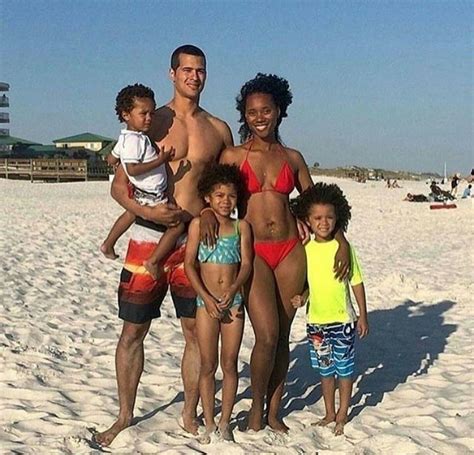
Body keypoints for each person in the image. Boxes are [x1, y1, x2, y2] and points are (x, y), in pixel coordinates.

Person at [94, 45, 233, 447]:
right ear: (171, 73)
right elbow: (119, 187)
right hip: (147, 236)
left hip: (194, 240)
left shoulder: (218, 129)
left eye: (200, 70)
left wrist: (208, 212)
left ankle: (189, 412)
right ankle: (124, 415)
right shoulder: (152, 122)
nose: (194, 76)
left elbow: (222, 188)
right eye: (186, 69)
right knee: (133, 331)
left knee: (196, 332)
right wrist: (149, 213)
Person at [209, 73, 350, 433]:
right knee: (267, 336)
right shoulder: (233, 155)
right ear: (245, 115)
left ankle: (274, 412)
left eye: (266, 110)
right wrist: (208, 219)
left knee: (284, 336)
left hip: (291, 251)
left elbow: (321, 206)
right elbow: (214, 195)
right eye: (252, 112)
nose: (259, 117)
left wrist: (343, 242)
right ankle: (256, 407)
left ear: (279, 112)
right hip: (253, 250)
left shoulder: (293, 157)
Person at [290, 182, 369, 436]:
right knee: (325, 370)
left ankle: (343, 413)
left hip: (342, 320)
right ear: (308, 221)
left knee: (344, 371)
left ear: (338, 219)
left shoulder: (344, 249)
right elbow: (310, 284)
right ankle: (329, 412)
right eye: (318, 218)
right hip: (316, 322)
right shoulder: (306, 250)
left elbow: (356, 282)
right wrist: (302, 298)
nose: (324, 223)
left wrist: (363, 315)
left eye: (329, 217)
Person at [184, 164, 252, 443]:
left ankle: (225, 421)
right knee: (208, 364)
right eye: (219, 195)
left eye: (232, 196)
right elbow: (189, 264)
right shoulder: (199, 225)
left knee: (230, 363)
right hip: (206, 303)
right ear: (208, 198)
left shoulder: (241, 227)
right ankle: (209, 420)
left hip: (233, 303)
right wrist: (207, 298)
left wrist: (235, 288)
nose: (226, 201)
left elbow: (246, 264)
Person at [100, 84, 185, 275]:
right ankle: (153, 261)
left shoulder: (125, 138)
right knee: (177, 225)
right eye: (143, 113)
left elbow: (111, 158)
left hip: (142, 194)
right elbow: (133, 169)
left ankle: (108, 244)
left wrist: (114, 161)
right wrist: (160, 160)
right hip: (152, 196)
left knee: (130, 213)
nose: (149, 118)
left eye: (152, 113)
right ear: (126, 115)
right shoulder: (134, 140)